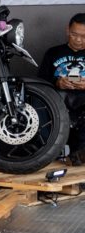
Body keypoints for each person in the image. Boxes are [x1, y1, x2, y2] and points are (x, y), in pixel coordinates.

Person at [38, 13, 85, 166]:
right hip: (59, 101)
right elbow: (40, 81)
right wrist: (57, 82)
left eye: (84, 36)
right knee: (41, 102)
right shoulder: (53, 53)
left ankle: (80, 154)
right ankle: (48, 153)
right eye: (74, 34)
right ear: (67, 31)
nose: (78, 40)